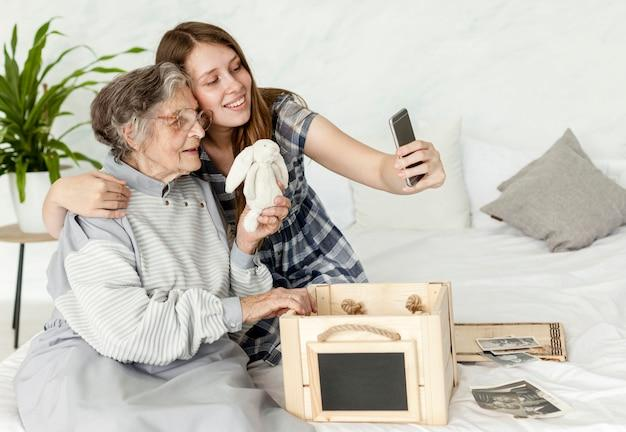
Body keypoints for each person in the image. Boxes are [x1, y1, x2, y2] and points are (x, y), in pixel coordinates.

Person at [42, 22, 446, 367]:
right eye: (212, 80)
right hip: (239, 282)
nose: (235, 85)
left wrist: (407, 172)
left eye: (237, 68)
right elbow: (86, 223)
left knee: (356, 350)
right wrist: (58, 192)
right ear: (184, 91)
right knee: (247, 364)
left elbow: (374, 168)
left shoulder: (279, 115)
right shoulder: (179, 150)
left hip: (311, 265)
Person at [15, 62, 314, 432]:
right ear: (132, 134)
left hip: (190, 355)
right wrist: (246, 306)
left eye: (198, 116)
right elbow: (127, 334)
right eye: (179, 120)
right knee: (114, 423)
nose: (199, 130)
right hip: (98, 357)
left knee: (235, 419)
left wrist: (246, 244)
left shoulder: (197, 188)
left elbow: (225, 314)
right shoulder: (97, 202)